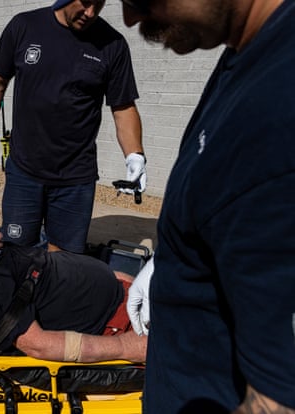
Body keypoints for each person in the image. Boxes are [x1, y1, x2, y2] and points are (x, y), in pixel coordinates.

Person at [120, 0, 295, 412]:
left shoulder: (279, 114)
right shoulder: (249, 47)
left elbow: (280, 399)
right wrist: (177, 257)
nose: (130, 17)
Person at [0, 0, 146, 253]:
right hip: (24, 170)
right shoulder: (24, 26)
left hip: (76, 177)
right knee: (18, 252)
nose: (91, 13)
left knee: (63, 261)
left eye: (100, 4)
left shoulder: (112, 44)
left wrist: (134, 154)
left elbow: (123, 106)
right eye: (86, 2)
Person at [0, 192, 147, 363]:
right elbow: (37, 344)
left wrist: (126, 281)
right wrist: (124, 347)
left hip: (128, 296)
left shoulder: (0, 252)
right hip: (118, 323)